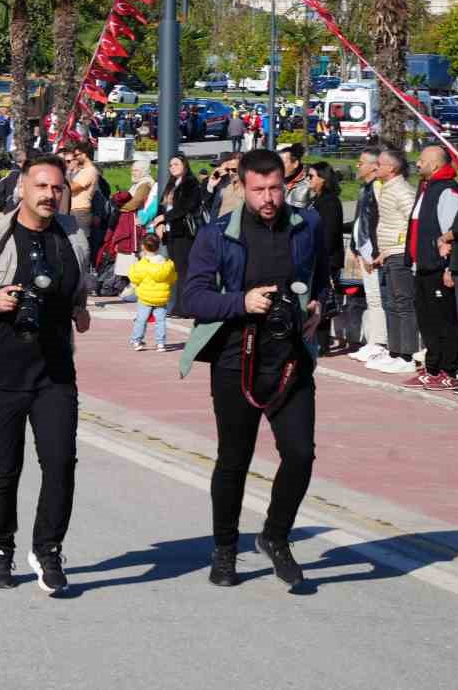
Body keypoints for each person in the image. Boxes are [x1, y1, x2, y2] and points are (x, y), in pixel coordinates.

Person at [0, 155, 91, 595]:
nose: (50, 195)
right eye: (41, 187)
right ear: (22, 190)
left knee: (61, 462)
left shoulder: (74, 235)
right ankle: (0, 549)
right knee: (5, 466)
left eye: (57, 188)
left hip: (55, 371)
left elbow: (78, 287)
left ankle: (48, 549)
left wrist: (81, 311)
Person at [181, 149, 328, 589]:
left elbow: (321, 275)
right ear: (242, 188)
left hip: (290, 357)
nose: (269, 198)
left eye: (276, 188)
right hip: (235, 359)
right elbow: (193, 298)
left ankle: (275, 536)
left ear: (287, 184)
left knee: (300, 454)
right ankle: (225, 549)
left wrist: (320, 304)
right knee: (234, 459)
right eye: (259, 189)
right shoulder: (216, 235)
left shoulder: (308, 225)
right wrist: (240, 303)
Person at [406, 145, 458, 389]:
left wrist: (449, 267)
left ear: (436, 164)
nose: (417, 164)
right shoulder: (426, 189)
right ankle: (432, 368)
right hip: (421, 267)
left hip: (439, 268)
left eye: (422, 160)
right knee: (427, 322)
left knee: (445, 321)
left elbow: (451, 234)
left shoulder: (448, 191)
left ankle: (448, 370)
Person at [368, 147, 419, 374]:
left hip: (399, 255)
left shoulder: (402, 191)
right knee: (390, 304)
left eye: (379, 164)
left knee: (403, 304)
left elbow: (413, 223)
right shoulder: (384, 187)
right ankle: (394, 351)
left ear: (391, 168)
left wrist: (396, 249)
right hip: (387, 253)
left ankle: (407, 355)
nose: (374, 167)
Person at [347, 147, 389, 362]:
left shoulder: (378, 189)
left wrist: (373, 250)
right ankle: (373, 341)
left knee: (377, 298)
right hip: (364, 250)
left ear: (374, 166)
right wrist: (356, 246)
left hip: (373, 252)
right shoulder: (365, 189)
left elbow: (379, 222)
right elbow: (359, 221)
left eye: (361, 162)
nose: (357, 165)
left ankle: (380, 343)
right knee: (371, 298)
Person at [152, 153, 202, 316]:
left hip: (184, 231)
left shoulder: (190, 183)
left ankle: (184, 307)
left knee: (184, 269)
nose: (173, 167)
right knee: (176, 269)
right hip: (170, 231)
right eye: (171, 165)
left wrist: (164, 217)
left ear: (185, 165)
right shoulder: (171, 183)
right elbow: (162, 205)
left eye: (176, 164)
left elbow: (186, 206)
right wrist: (159, 223)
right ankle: (177, 304)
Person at [305, 161, 346, 352]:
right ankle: (318, 340)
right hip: (316, 256)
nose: (308, 180)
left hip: (327, 258)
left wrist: (322, 258)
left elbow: (329, 233)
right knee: (316, 299)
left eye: (312, 176)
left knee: (324, 299)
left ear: (323, 179)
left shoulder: (330, 202)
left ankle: (322, 343)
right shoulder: (316, 200)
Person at [127, 232, 176, 351]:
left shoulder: (141, 265)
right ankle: (160, 343)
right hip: (161, 298)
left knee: (141, 319)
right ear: (158, 247)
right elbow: (172, 279)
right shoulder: (167, 265)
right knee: (160, 321)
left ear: (143, 247)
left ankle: (137, 340)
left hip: (145, 297)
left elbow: (133, 278)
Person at [63, 143, 100, 239]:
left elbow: (72, 188)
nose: (75, 158)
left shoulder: (90, 171)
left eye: (76, 155)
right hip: (76, 211)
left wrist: (67, 172)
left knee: (81, 243)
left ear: (84, 154)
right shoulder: (84, 171)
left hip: (80, 212)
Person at [280, 143, 312, 208]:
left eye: (282, 164)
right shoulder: (278, 182)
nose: (279, 167)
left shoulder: (310, 183)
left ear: (295, 164)